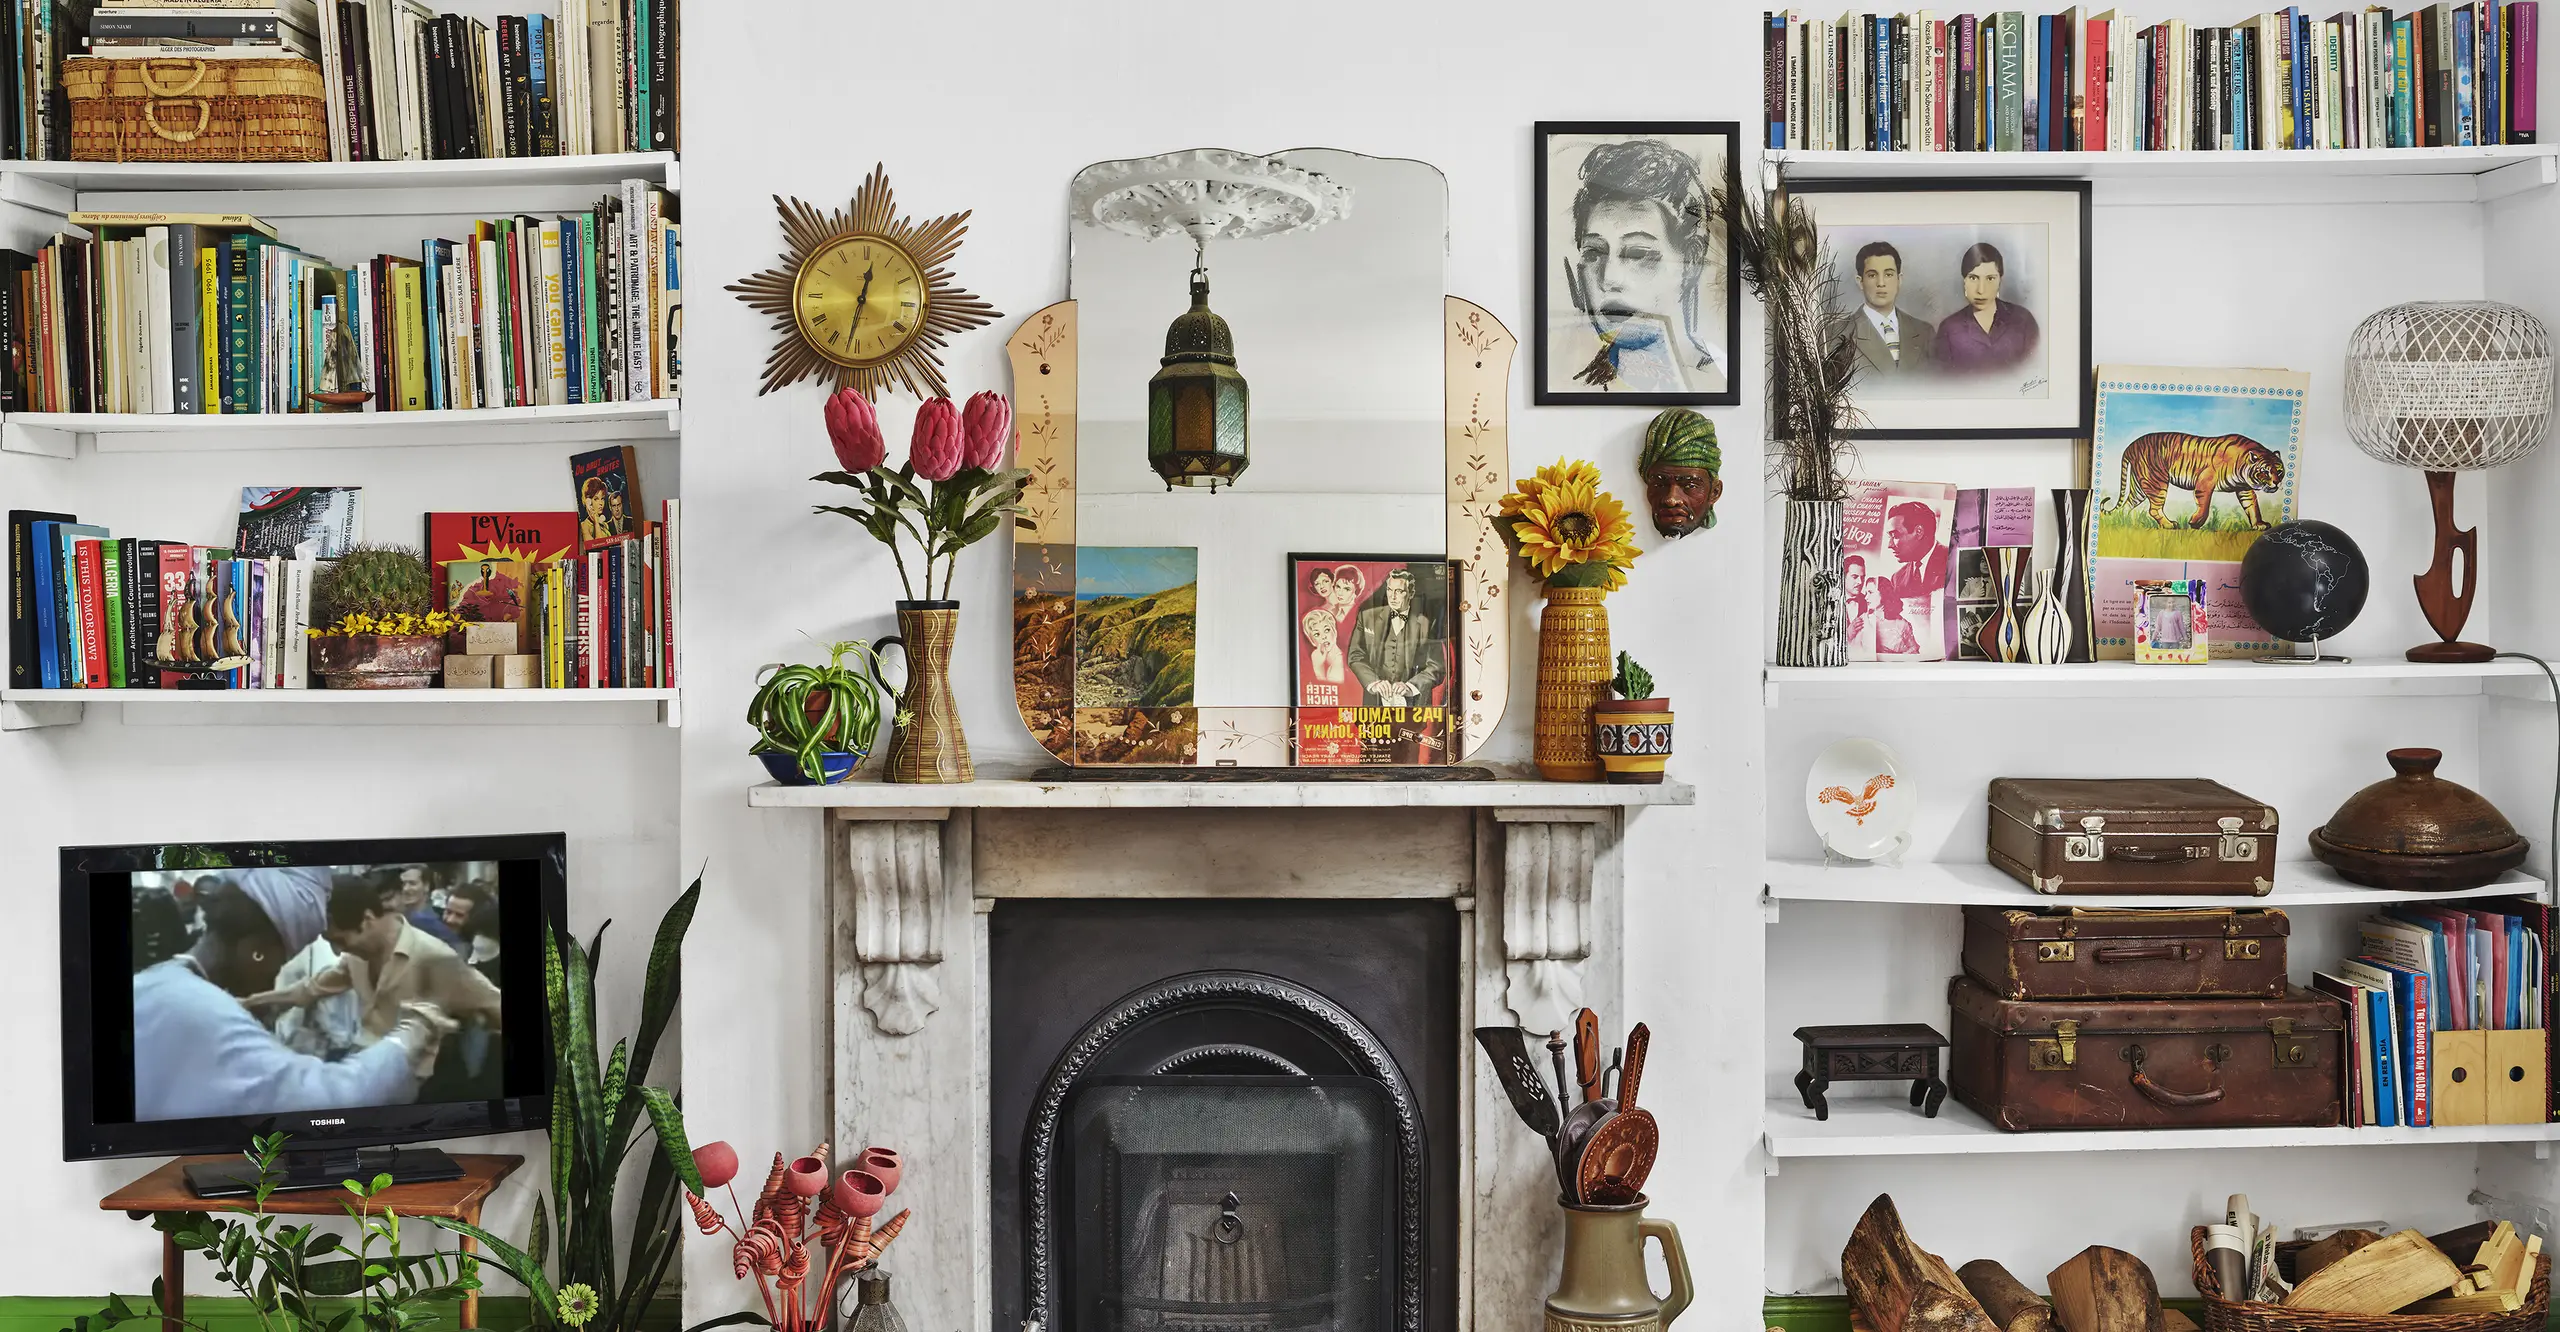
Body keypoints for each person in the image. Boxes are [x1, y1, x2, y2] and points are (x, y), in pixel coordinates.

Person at [129, 867, 429, 1122]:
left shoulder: (154, 983)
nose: (274, 974)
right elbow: (329, 1098)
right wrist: (405, 1040)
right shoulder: (204, 1012)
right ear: (255, 949)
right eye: (280, 960)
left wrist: (252, 1003)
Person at [246, 871, 503, 1049]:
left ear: (367, 919)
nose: (337, 952)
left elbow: (494, 1004)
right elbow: (309, 990)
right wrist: (249, 1002)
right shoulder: (355, 959)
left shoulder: (434, 957)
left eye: (341, 941)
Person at [1560, 139, 1727, 395]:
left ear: (1690, 263)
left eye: (1638, 254)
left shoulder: (1716, 381)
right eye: (1593, 252)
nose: (1609, 278)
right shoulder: (1576, 386)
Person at [1934, 242, 2041, 375]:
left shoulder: (2023, 320)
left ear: (2000, 280)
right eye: (1973, 278)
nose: (1981, 290)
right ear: (1964, 281)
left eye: (1990, 278)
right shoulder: (1949, 329)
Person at [1347, 569, 1444, 708]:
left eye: (1399, 591)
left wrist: (1410, 686)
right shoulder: (1367, 617)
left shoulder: (1426, 624)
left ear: (1411, 593)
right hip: (1374, 703)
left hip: (1414, 705)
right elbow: (1355, 656)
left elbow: (1436, 667)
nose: (1392, 596)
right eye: (1390, 590)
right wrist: (1374, 682)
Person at [1845, 241, 1935, 377]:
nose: (1881, 283)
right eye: (1872, 275)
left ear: (1899, 279)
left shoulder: (1925, 332)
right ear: (1860, 282)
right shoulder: (1837, 334)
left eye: (1888, 274)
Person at [1876, 500, 1949, 659]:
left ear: (1919, 531)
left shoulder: (1952, 561)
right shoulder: (1897, 578)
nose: (1889, 545)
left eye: (1895, 535)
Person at [1841, 556, 1876, 657]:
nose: (1860, 582)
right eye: (1855, 577)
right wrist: (1847, 634)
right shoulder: (1832, 602)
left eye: (1863, 577)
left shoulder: (1870, 602)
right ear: (1843, 576)